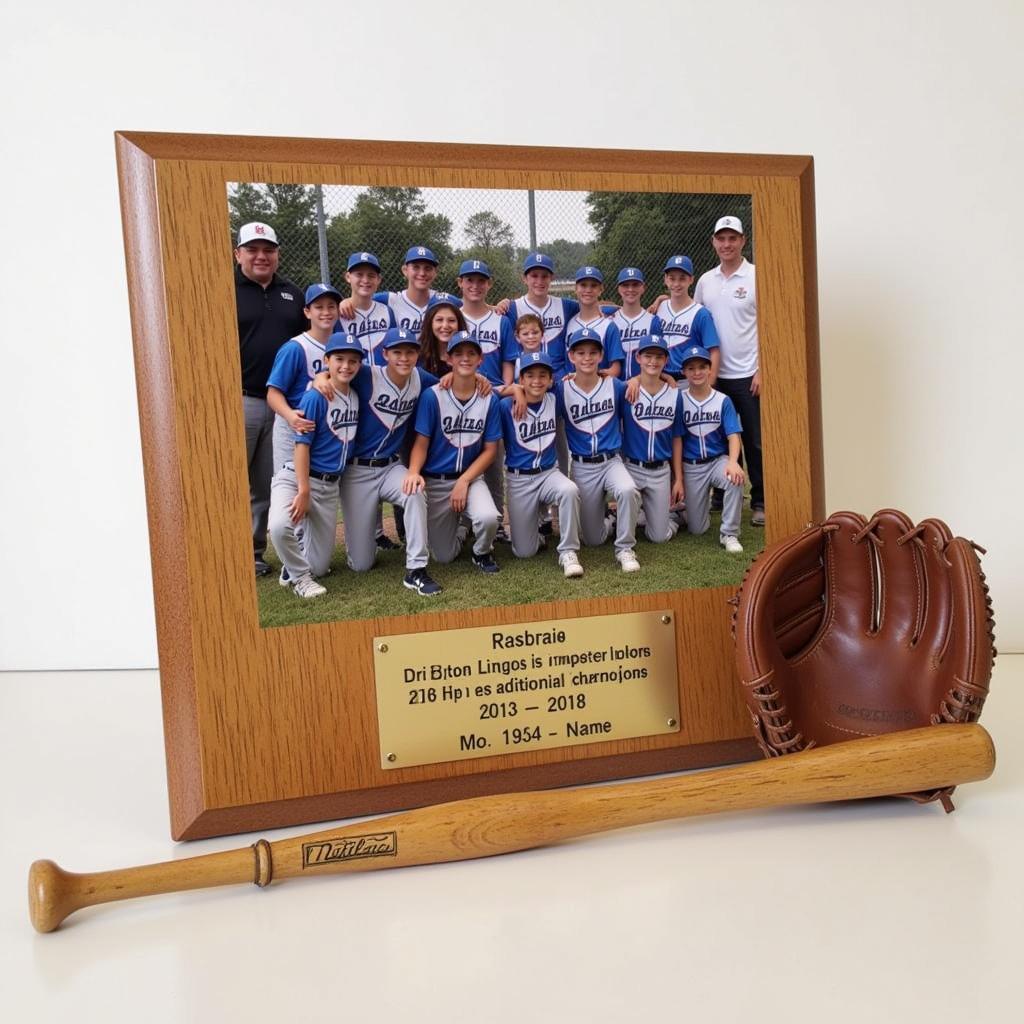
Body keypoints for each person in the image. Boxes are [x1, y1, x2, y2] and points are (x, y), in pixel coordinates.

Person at [340, 327, 443, 597]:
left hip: (390, 467)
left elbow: (451, 383)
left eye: (410, 351)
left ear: (417, 355)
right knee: (361, 565)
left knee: (414, 490)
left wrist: (480, 379)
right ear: (384, 353)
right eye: (397, 351)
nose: (404, 357)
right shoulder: (366, 374)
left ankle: (416, 569)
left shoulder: (421, 378)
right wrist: (321, 380)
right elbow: (334, 374)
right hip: (356, 471)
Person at [234, 221, 307, 576]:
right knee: (231, 481)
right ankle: (228, 553)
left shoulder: (293, 294)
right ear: (238, 254)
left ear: (277, 254)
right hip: (239, 397)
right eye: (253, 249)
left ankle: (255, 553)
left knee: (265, 483)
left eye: (268, 250)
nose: (261, 256)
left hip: (282, 406)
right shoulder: (224, 289)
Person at [267, 333, 363, 599]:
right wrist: (303, 489)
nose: (346, 366)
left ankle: (293, 566)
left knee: (320, 567)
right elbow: (302, 447)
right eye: (339, 359)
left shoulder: (355, 396)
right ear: (326, 361)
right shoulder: (315, 397)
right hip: (299, 478)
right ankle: (300, 579)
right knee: (279, 525)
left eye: (353, 361)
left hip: (329, 487)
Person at [407, 331, 502, 573]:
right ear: (448, 359)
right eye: (458, 353)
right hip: (436, 480)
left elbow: (491, 450)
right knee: (444, 557)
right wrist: (414, 472)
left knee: (490, 518)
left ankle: (481, 552)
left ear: (480, 359)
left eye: (471, 353)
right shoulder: (433, 395)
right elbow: (421, 443)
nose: (465, 358)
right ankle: (462, 529)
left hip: (470, 478)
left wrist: (465, 480)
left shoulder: (488, 398)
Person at [693, 215, 764, 526]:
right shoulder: (706, 280)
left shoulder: (756, 276)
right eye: (721, 238)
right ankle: (722, 492)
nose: (726, 244)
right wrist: (661, 300)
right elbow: (692, 315)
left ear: (742, 241)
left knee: (754, 440)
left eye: (732, 238)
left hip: (748, 373)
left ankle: (760, 500)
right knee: (717, 438)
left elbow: (768, 325)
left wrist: (763, 369)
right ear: (713, 242)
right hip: (714, 376)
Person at [558, 328, 641, 572]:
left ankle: (625, 547)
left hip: (611, 461)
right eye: (580, 352)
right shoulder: (561, 389)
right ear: (571, 356)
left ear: (601, 355)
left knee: (627, 489)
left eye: (593, 352)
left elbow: (644, 383)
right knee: (593, 540)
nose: (587, 358)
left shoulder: (614, 385)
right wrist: (517, 390)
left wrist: (636, 379)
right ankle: (609, 519)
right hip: (582, 466)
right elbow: (534, 394)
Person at [499, 352, 584, 577]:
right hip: (519, 480)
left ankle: (568, 551)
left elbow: (585, 377)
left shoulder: (555, 398)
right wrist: (514, 390)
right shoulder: (506, 405)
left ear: (550, 380)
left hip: (548, 474)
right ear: (521, 379)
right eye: (530, 376)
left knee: (569, 490)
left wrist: (668, 378)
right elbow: (487, 391)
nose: (536, 381)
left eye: (542, 375)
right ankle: (532, 524)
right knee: (524, 552)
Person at [456, 259, 515, 542]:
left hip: (491, 397)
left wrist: (503, 388)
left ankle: (497, 522)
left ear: (489, 284)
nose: (475, 285)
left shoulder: (500, 321)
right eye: (469, 280)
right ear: (460, 283)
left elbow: (507, 362)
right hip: (459, 397)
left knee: (493, 462)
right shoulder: (452, 318)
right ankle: (463, 522)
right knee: (460, 456)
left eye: (481, 280)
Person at [265, 282, 342, 472]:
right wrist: (290, 416)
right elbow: (273, 393)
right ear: (307, 312)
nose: (326, 312)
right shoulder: (296, 348)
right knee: (290, 490)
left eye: (331, 306)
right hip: (294, 427)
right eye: (319, 307)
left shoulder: (342, 345)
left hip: (326, 430)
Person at [677, 345, 745, 553]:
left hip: (717, 461)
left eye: (701, 367)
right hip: (691, 466)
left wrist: (733, 462)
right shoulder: (679, 399)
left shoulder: (722, 400)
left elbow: (734, 435)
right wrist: (678, 477)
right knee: (698, 529)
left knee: (735, 478)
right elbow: (677, 439)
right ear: (684, 372)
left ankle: (729, 533)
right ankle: (681, 511)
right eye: (691, 368)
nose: (697, 372)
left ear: (709, 369)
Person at [620, 336, 684, 543]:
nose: (652, 361)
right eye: (647, 356)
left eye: (658, 357)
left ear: (666, 360)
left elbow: (676, 438)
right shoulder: (627, 390)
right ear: (638, 357)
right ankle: (626, 515)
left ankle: (670, 518)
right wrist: (632, 379)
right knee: (622, 529)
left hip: (661, 471)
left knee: (659, 537)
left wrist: (678, 479)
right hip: (632, 468)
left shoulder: (675, 394)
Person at [655, 255, 721, 381]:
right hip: (661, 377)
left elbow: (714, 350)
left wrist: (710, 381)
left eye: (682, 278)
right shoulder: (660, 308)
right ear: (665, 279)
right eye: (672, 278)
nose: (676, 283)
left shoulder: (701, 313)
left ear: (691, 280)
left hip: (690, 379)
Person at [334, 252, 395, 365]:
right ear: (348, 277)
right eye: (359, 274)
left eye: (371, 275)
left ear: (379, 279)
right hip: (353, 378)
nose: (365, 280)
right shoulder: (338, 315)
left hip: (384, 378)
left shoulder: (387, 311)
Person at [565, 267, 624, 376]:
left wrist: (593, 376)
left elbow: (616, 369)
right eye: (583, 285)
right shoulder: (569, 323)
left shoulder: (608, 326)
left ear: (601, 289)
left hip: (600, 388)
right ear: (575, 288)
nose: (588, 290)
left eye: (593, 285)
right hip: (571, 389)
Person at [612, 267, 663, 379]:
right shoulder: (610, 321)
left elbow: (660, 358)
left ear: (643, 288)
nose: (630, 289)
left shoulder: (653, 321)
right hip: (615, 386)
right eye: (625, 285)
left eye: (635, 284)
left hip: (644, 386)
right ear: (618, 289)